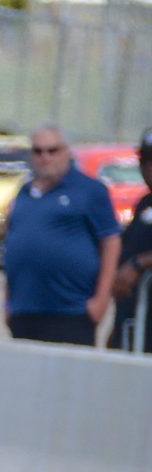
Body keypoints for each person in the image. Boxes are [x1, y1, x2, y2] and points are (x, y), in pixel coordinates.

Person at [2, 124, 121, 347]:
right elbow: (13, 245)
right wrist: (8, 303)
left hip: (71, 311)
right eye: (38, 151)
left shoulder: (89, 191)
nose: (45, 157)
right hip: (25, 310)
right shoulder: (24, 192)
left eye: (52, 150)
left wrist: (101, 300)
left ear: (66, 151)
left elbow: (111, 242)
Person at [106, 129, 152, 352]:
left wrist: (140, 264)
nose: (150, 167)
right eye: (146, 159)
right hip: (133, 328)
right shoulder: (144, 203)